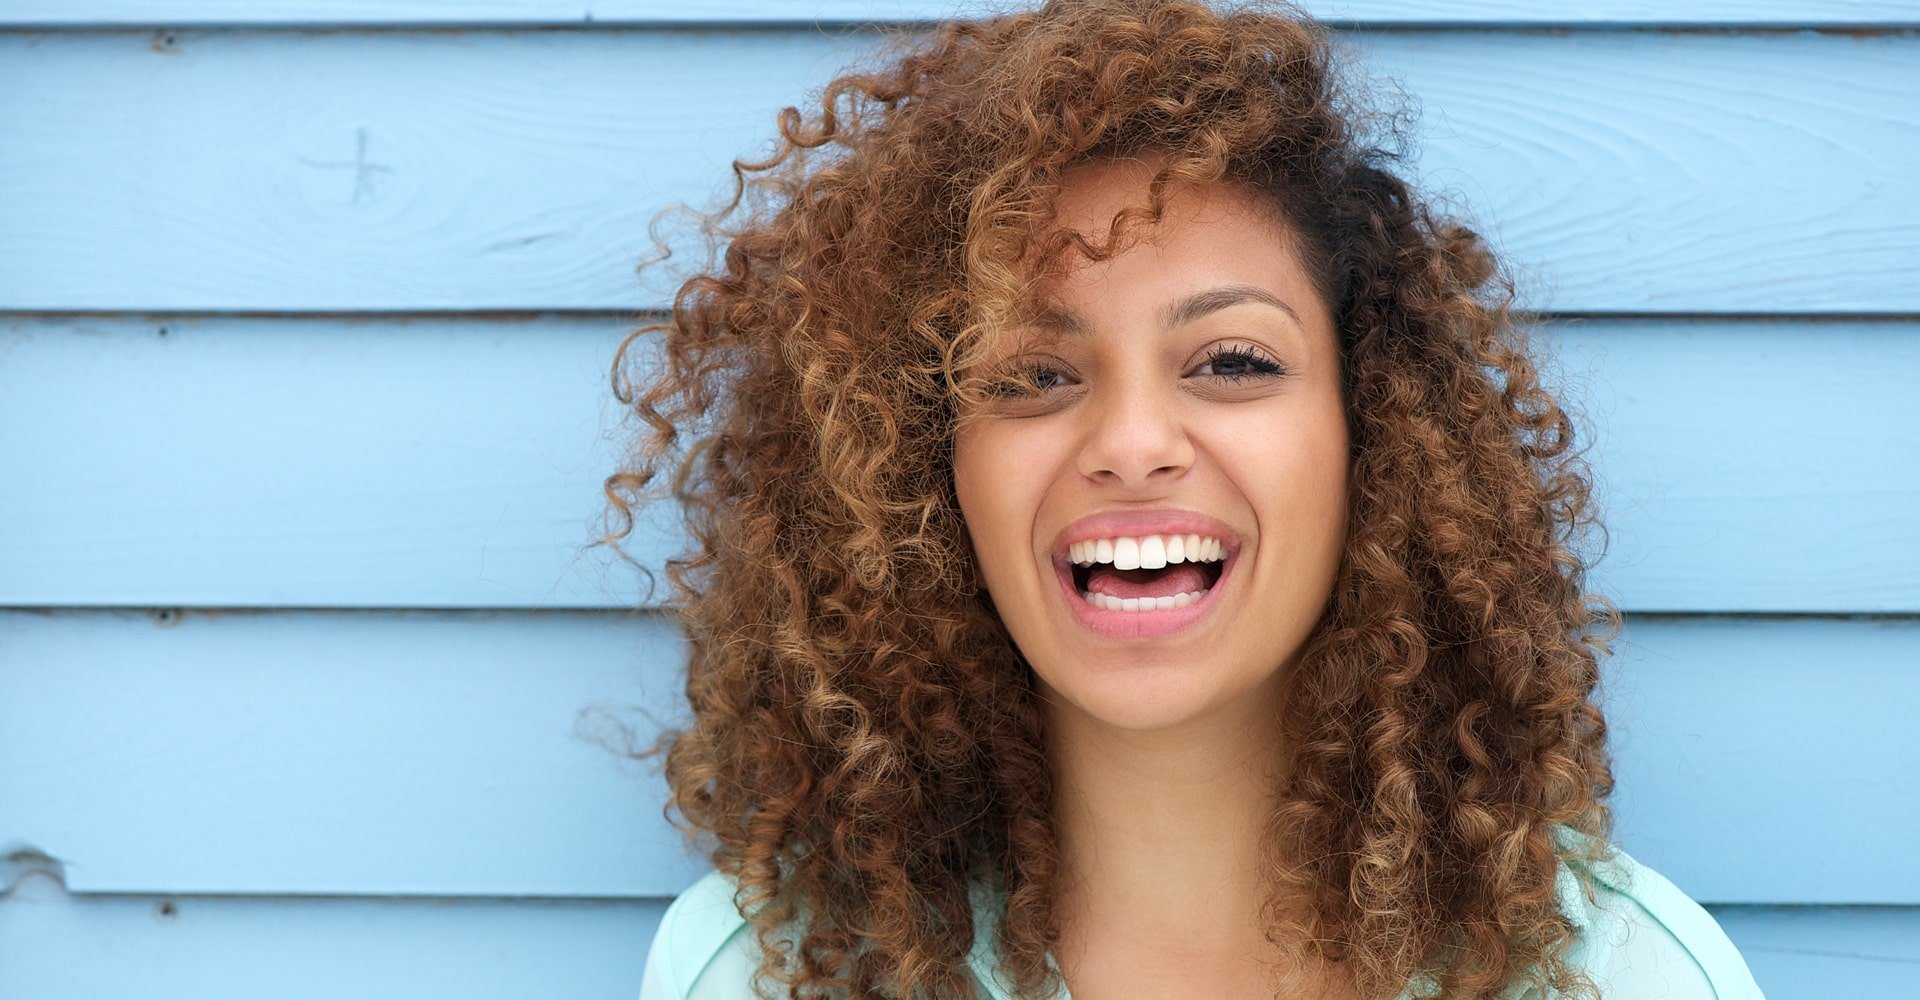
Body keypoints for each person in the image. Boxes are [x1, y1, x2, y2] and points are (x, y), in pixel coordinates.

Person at [606, 1, 1767, 997]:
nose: (1132, 444)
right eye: (1032, 376)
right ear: (920, 473)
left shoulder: (1615, 971)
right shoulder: (764, 968)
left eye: (1232, 362)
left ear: (1374, 434)